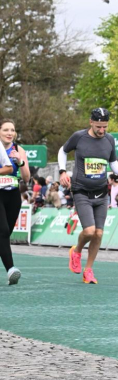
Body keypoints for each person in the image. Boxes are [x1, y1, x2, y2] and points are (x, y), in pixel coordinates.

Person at [59, 108, 118, 284]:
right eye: (99, 127)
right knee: (89, 231)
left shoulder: (109, 139)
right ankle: (76, 251)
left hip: (101, 193)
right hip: (81, 191)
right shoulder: (78, 137)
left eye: (105, 127)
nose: (102, 131)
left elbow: (112, 162)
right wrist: (63, 171)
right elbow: (63, 151)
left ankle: (89, 271)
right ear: (91, 122)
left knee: (99, 234)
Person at [0, 119, 28, 285]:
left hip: (13, 195)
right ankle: (11, 269)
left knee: (5, 234)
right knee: (2, 231)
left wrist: (20, 162)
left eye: (12, 130)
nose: (10, 133)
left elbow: (26, 178)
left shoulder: (18, 149)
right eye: (5, 130)